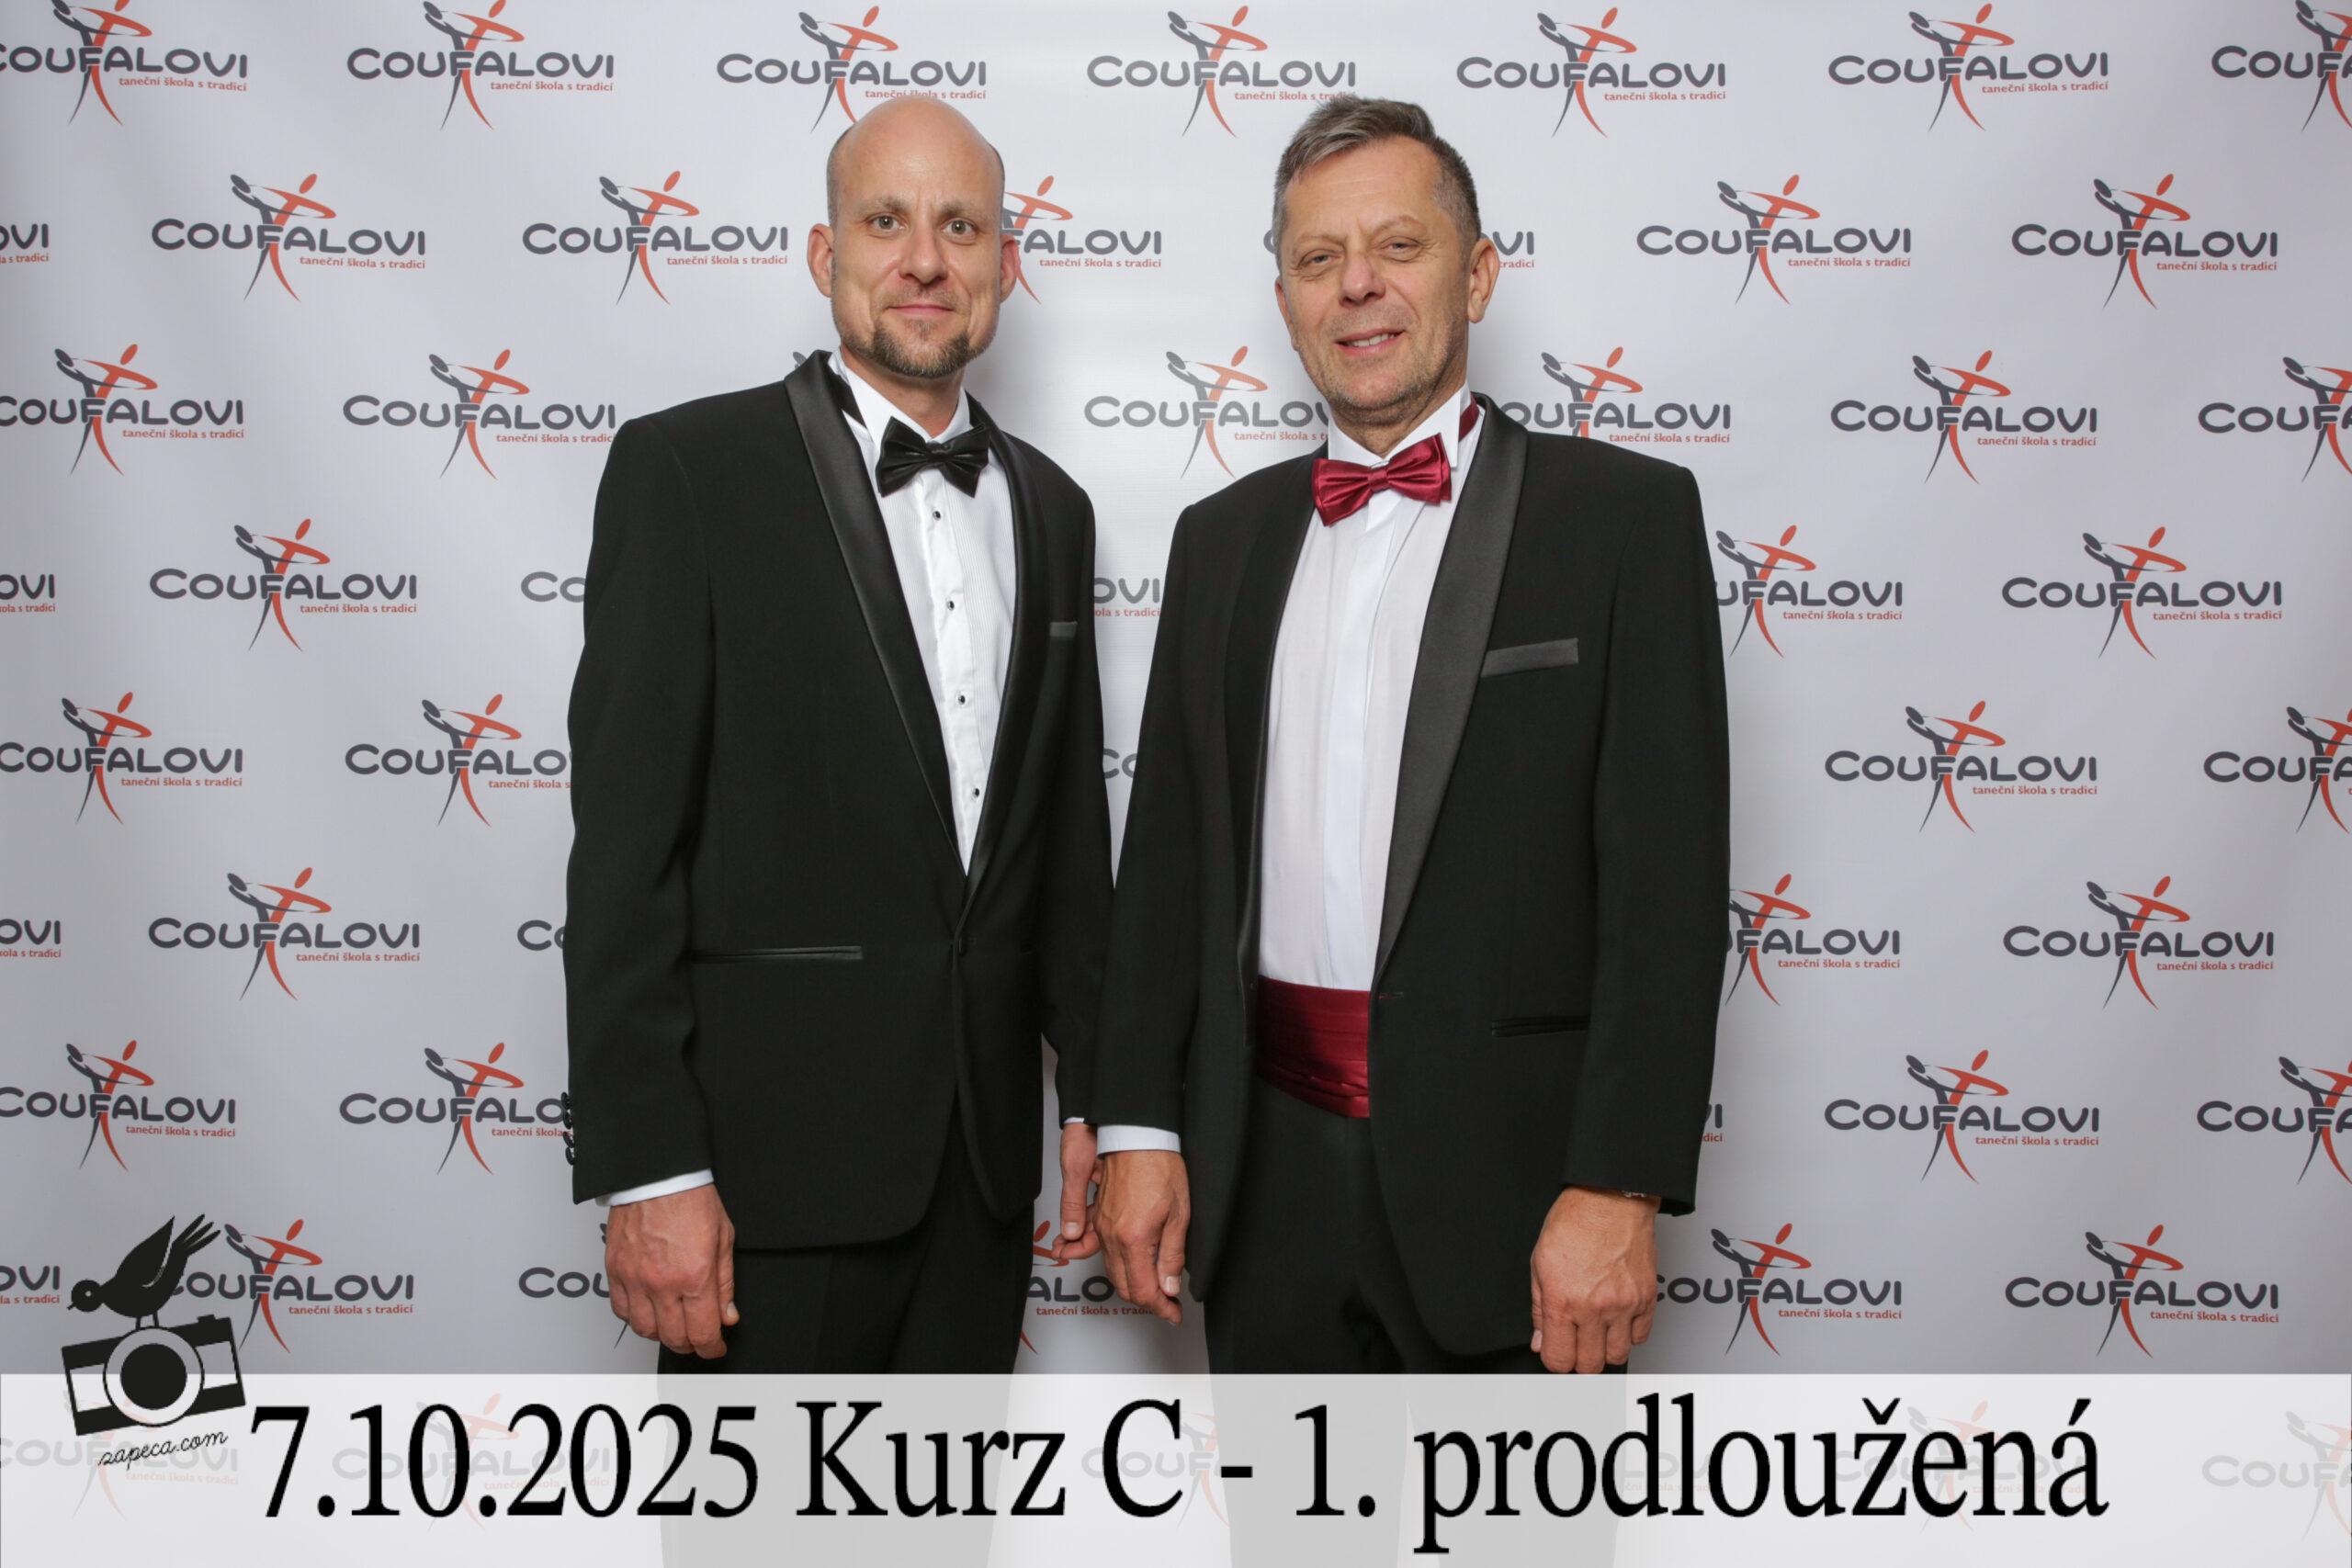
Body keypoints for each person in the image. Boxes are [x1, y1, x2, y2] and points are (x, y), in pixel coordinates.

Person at [1091, 95, 1728, 1375]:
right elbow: (1167, 867)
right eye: (1318, 258)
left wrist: (1619, 1186)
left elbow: (1667, 893)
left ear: (1476, 273)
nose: (1357, 287)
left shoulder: (1624, 523)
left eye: (1398, 246)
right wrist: (1141, 1131)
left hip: (1521, 1197)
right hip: (1262, 1190)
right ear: (1284, 299)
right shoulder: (1219, 543)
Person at [562, 96, 1111, 1372]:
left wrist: (1099, 1093)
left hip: (981, 1187)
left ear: (1004, 264)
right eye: (885, 222)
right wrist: (652, 1168)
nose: (924, 260)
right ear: (827, 256)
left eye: (960, 227)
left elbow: (1066, 848)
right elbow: (626, 858)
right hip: (761, 1192)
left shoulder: (1057, 508)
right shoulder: (688, 473)